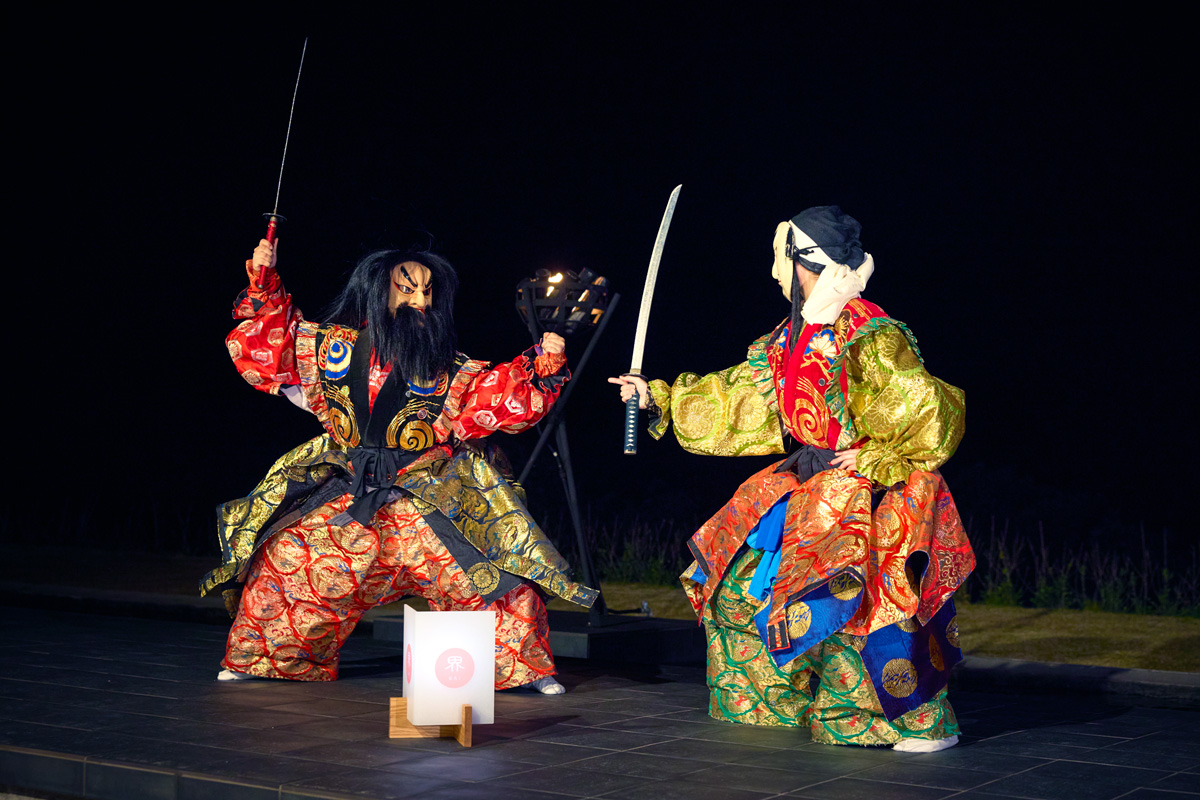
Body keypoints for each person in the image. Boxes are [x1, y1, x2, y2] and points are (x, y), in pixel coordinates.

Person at [610, 206, 972, 750]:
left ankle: (907, 718)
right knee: (733, 588)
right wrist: (657, 397)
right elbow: (738, 393)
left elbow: (930, 412)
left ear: (808, 263)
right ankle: (777, 700)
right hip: (807, 480)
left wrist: (878, 456)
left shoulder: (867, 332)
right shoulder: (791, 337)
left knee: (857, 604)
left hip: (865, 488)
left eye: (786, 260)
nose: (779, 272)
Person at [201, 238, 597, 693]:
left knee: (490, 574)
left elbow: (497, 398)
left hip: (430, 496)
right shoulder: (329, 349)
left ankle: (519, 668)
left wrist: (543, 367)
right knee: (289, 561)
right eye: (407, 290)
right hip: (351, 493)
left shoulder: (450, 369)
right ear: (377, 291)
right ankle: (268, 658)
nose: (420, 302)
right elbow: (275, 350)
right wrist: (265, 285)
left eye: (427, 293)